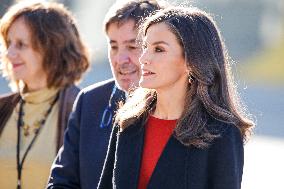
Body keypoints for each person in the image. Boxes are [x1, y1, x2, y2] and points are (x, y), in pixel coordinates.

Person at [98, 6, 255, 189]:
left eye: (158, 49)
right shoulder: (128, 121)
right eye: (145, 47)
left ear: (191, 61)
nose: (144, 58)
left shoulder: (222, 133)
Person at [47, 1, 163, 189]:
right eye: (114, 46)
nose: (120, 60)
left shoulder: (183, 107)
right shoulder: (89, 101)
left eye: (132, 47)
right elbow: (61, 181)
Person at [0, 1, 89, 188]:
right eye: (8, 44)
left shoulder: (83, 108)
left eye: (21, 45)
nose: (9, 53)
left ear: (51, 48)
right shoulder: (3, 108)